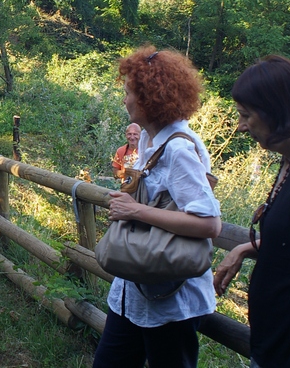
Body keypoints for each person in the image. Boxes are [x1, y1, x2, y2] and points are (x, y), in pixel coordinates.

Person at [92, 46, 222, 368]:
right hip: (133, 293)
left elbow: (210, 224)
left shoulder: (178, 149)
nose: (125, 100)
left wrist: (134, 211)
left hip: (171, 303)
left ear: (150, 98)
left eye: (128, 93)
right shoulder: (152, 142)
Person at [214, 55, 290, 368]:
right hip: (273, 344)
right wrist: (246, 249)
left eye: (246, 115)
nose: (241, 126)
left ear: (278, 111)